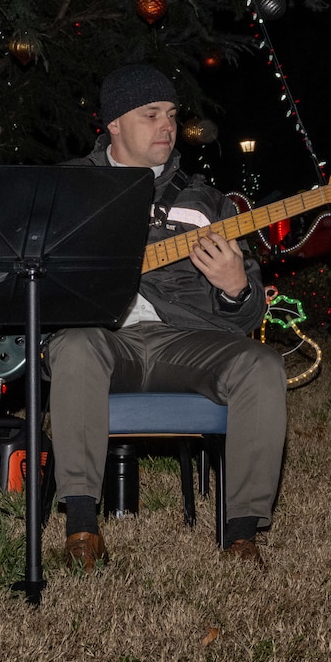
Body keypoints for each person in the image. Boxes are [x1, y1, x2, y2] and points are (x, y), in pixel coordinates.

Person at [43, 63, 284, 569]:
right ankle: (82, 530)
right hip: (105, 340)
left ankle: (242, 535)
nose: (167, 127)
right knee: (76, 345)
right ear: (113, 123)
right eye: (150, 114)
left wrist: (236, 288)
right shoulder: (69, 187)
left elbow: (247, 315)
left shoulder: (207, 202)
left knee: (261, 364)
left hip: (185, 343)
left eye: (172, 114)